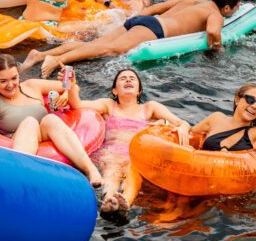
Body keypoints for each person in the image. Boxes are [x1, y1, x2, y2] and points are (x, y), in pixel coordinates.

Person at [0, 55, 102, 186]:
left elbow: (72, 93)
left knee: (51, 118)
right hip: (18, 139)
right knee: (30, 122)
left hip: (44, 133)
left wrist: (69, 89)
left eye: (14, 78)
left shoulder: (33, 86)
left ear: (18, 75)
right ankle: (21, 175)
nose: (10, 85)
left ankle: (90, 170)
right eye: (3, 81)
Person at [23, 0, 244, 77]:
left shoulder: (195, 1)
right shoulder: (215, 14)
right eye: (236, 7)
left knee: (95, 45)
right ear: (226, 7)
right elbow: (214, 33)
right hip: (155, 30)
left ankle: (40, 55)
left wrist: (135, 19)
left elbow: (156, 8)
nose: (237, 10)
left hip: (145, 20)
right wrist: (219, 51)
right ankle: (56, 61)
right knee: (108, 50)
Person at [66, 67, 190, 217]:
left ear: (139, 91)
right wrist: (71, 84)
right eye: (123, 78)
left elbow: (180, 122)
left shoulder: (149, 108)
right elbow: (78, 105)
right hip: (112, 154)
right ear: (115, 91)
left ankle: (125, 202)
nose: (128, 80)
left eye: (132, 78)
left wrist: (182, 126)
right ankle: (109, 199)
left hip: (136, 155)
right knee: (112, 172)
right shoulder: (109, 106)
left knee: (133, 172)